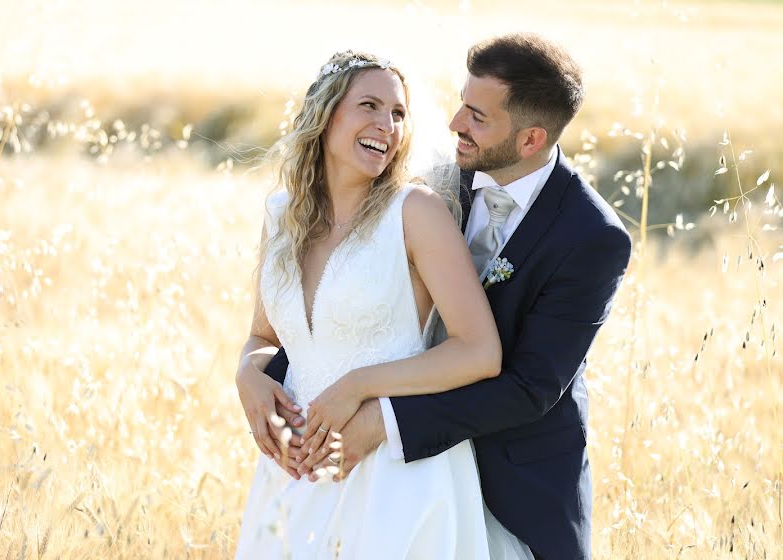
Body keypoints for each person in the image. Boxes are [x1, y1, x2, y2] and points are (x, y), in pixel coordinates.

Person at [259, 34, 633, 560]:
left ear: (530, 139)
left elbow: (528, 388)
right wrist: (256, 375)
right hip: (363, 463)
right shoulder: (432, 178)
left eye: (477, 116)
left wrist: (382, 422)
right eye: (461, 102)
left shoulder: (590, 236)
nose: (455, 123)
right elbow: (343, 300)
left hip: (511, 473)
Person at [234, 51, 533, 558]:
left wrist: (358, 387)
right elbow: (265, 337)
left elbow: (480, 351)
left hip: (395, 476)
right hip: (294, 473)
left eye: (398, 113)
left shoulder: (415, 213)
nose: (387, 126)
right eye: (369, 106)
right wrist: (247, 375)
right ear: (325, 115)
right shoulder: (281, 215)